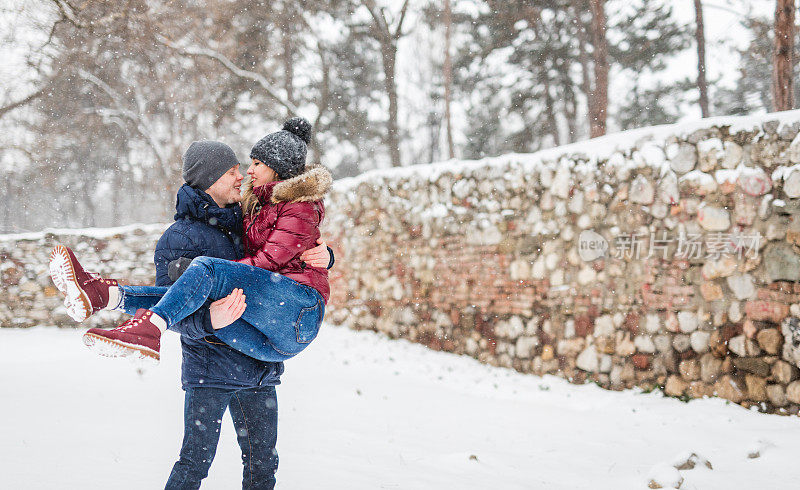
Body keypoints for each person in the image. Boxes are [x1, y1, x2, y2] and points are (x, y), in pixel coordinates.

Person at [48, 118, 332, 489]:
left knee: (263, 468)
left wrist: (326, 257)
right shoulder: (179, 238)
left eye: (246, 168)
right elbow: (177, 307)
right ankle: (118, 304)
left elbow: (284, 254)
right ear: (209, 179)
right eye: (232, 171)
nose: (242, 177)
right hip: (212, 367)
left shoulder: (243, 220)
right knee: (194, 464)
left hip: (257, 362)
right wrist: (210, 320)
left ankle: (108, 295)